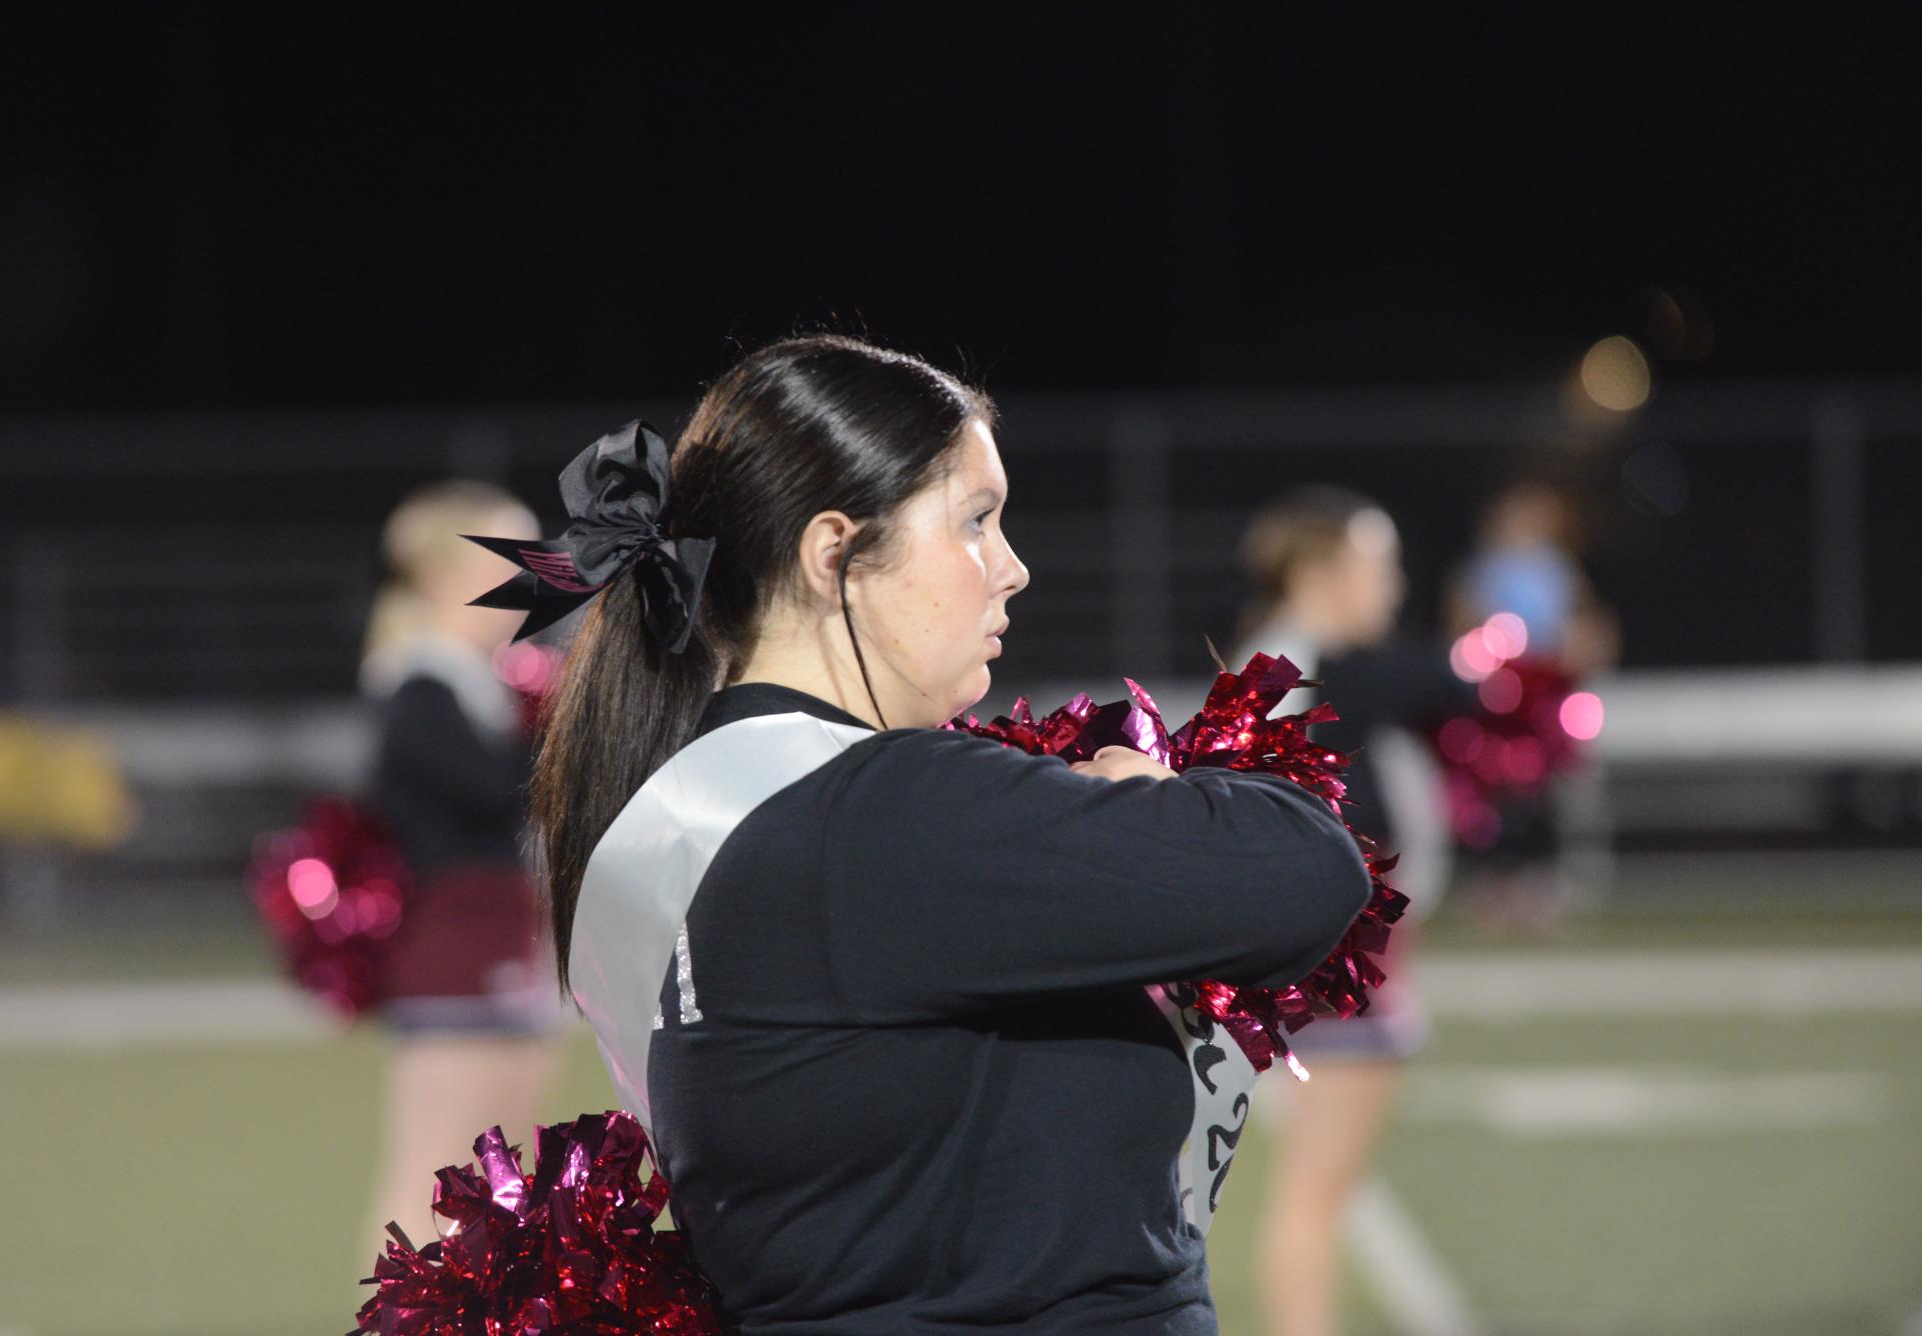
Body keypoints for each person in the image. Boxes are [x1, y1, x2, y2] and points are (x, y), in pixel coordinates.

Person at [483, 334, 1374, 1334]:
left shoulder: (695, 812)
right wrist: (1148, 788)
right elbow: (1309, 871)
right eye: (976, 522)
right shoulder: (885, 815)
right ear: (838, 557)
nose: (1014, 568)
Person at [1229, 485, 1476, 1336]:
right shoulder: (1294, 675)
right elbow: (1299, 846)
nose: (1394, 585)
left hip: (1346, 960)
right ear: (1318, 571)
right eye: (1379, 565)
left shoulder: (1301, 665)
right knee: (1314, 1194)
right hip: (1334, 963)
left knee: (1318, 1192)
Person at [355, 480, 564, 1270]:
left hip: (512, 952)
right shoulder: (416, 685)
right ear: (446, 576)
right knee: (425, 1191)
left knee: (500, 1195)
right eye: (516, 560)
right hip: (451, 963)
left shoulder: (492, 680)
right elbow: (501, 790)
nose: (536, 580)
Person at [1444, 480, 1620, 936]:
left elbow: (1587, 621)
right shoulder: (1483, 568)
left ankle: (1539, 885)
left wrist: (1586, 649)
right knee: (1494, 791)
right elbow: (1460, 622)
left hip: (1547, 698)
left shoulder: (1557, 567)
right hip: (1500, 697)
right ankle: (1494, 886)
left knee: (1547, 788)